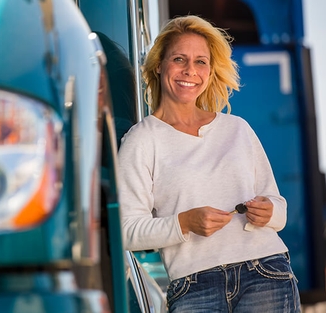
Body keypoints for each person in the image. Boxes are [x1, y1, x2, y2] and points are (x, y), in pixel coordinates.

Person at [118, 15, 301, 312]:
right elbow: (127, 230)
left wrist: (268, 211)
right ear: (158, 65)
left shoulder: (237, 129)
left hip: (266, 273)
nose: (190, 70)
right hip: (194, 286)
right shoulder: (140, 140)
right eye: (179, 59)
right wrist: (184, 223)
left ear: (211, 71)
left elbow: (279, 209)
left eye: (201, 62)